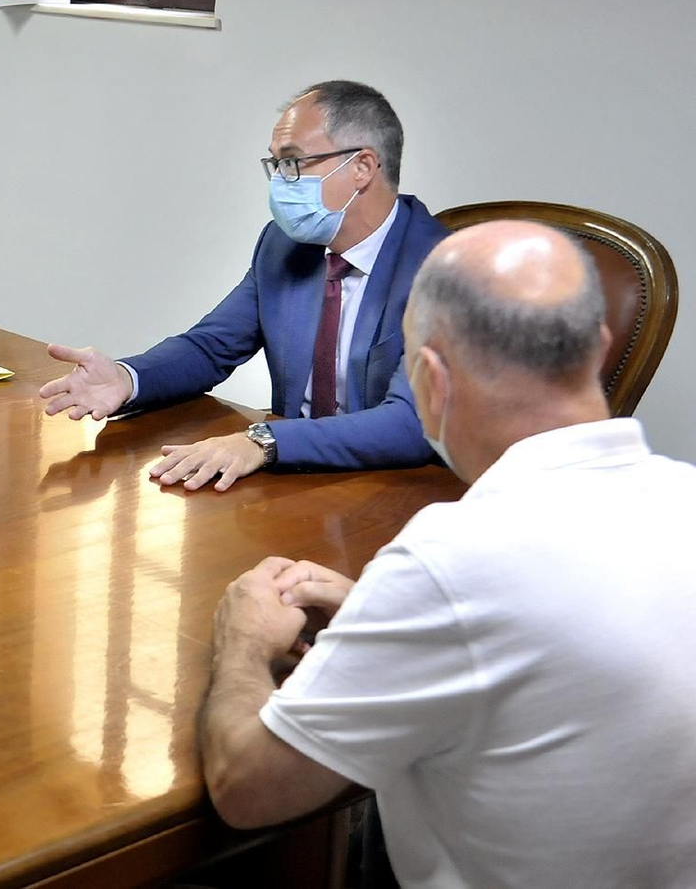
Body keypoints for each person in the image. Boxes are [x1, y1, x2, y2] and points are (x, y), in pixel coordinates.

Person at [200, 221, 696, 887]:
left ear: (430, 379)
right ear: (598, 347)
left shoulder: (452, 560)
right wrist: (383, 611)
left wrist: (243, 644)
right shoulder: (682, 495)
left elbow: (248, 789)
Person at [40, 81, 448, 490]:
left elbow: (409, 424)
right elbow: (211, 346)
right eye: (275, 166)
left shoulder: (446, 270)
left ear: (362, 167)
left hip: (395, 489)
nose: (280, 183)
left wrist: (262, 441)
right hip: (292, 482)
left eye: (292, 163)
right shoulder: (283, 245)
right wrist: (128, 378)